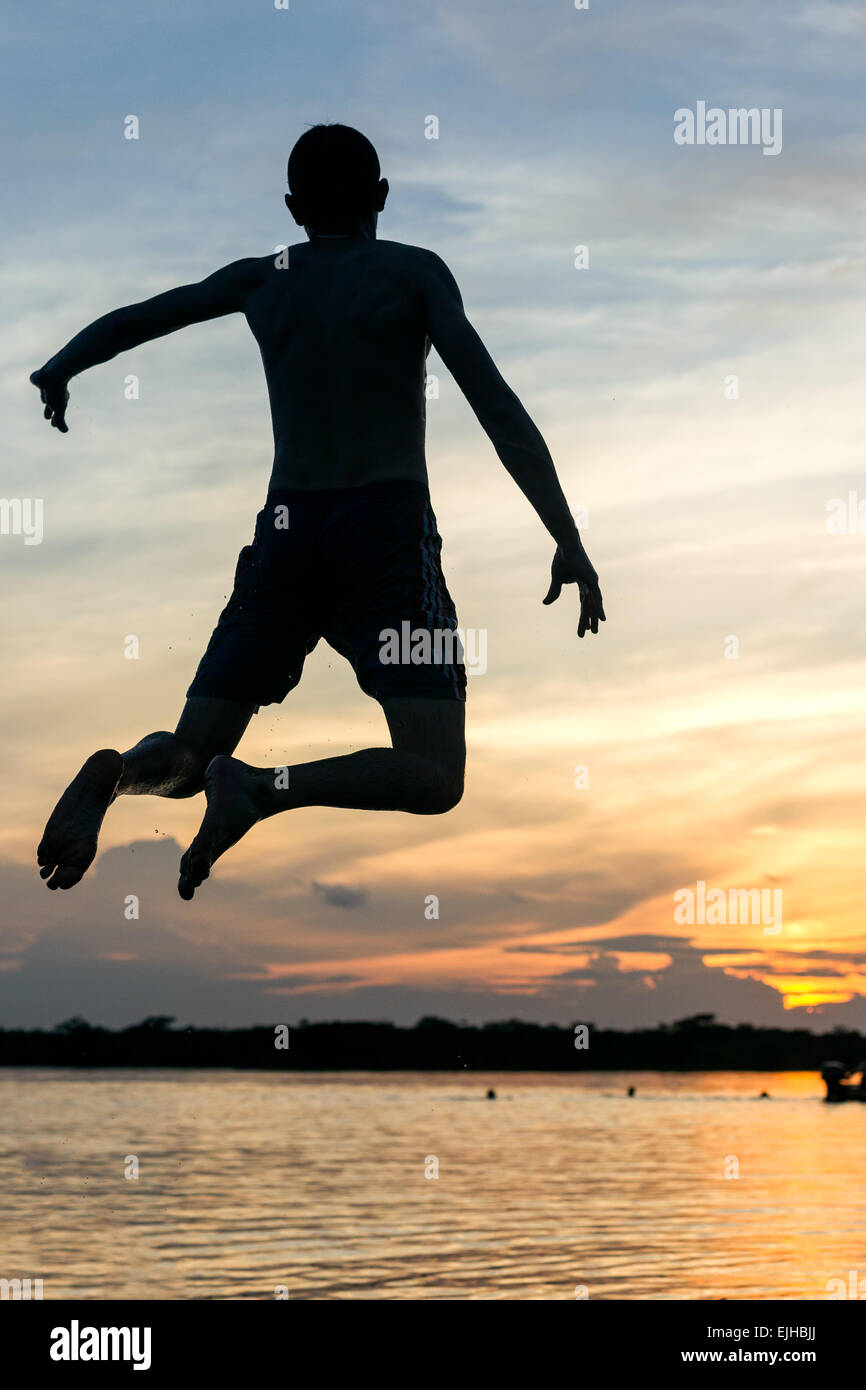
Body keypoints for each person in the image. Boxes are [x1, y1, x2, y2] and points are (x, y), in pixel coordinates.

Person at [31, 124, 604, 900]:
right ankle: (268, 789)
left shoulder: (261, 280)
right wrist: (565, 536)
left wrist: (62, 366)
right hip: (383, 536)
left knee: (192, 755)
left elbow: (142, 317)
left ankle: (122, 773)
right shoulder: (414, 273)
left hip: (286, 534)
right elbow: (496, 407)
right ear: (382, 198)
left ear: (294, 208)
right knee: (434, 773)